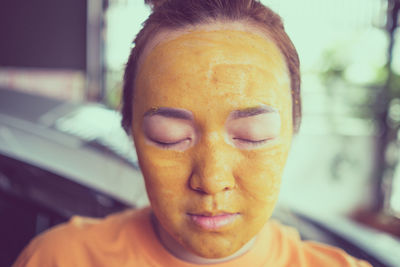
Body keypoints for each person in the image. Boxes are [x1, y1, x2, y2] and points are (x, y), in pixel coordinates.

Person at [13, 0, 372, 266]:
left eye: (252, 134)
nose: (212, 180)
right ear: (132, 134)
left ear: (292, 130)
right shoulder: (60, 259)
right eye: (170, 136)